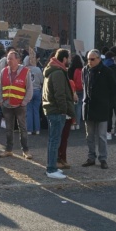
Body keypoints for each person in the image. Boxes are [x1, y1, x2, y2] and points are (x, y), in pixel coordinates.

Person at [42, 49, 75, 179]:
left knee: (53, 140)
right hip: (56, 111)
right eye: (69, 58)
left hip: (52, 109)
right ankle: (51, 169)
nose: (70, 60)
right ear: (64, 59)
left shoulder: (53, 70)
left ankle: (52, 167)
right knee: (55, 140)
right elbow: (59, 94)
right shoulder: (58, 73)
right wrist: (64, 110)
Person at [82, 49, 116, 169]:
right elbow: (84, 85)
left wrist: (108, 103)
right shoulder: (85, 70)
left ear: (99, 59)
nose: (90, 62)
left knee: (102, 136)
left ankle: (103, 158)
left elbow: (114, 89)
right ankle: (91, 157)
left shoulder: (107, 71)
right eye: (88, 59)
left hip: (102, 107)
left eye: (92, 59)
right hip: (89, 106)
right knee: (89, 135)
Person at [0, 50, 33, 159]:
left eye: (11, 58)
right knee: (8, 128)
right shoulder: (3, 71)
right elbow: (0, 87)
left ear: (18, 60)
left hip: (20, 105)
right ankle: (8, 150)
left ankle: (25, 150)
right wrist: (1, 100)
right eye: (8, 58)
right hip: (6, 104)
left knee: (23, 128)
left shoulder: (26, 71)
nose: (8, 60)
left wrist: (24, 102)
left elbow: (29, 89)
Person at [26, 51, 44, 134]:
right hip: (37, 90)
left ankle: (29, 130)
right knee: (36, 111)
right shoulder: (38, 69)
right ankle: (37, 129)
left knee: (29, 111)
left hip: (28, 91)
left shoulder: (25, 70)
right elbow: (42, 81)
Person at [68, 54, 84, 129]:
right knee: (79, 106)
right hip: (81, 89)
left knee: (72, 106)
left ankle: (72, 123)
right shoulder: (82, 68)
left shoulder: (70, 69)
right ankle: (78, 123)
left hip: (73, 89)